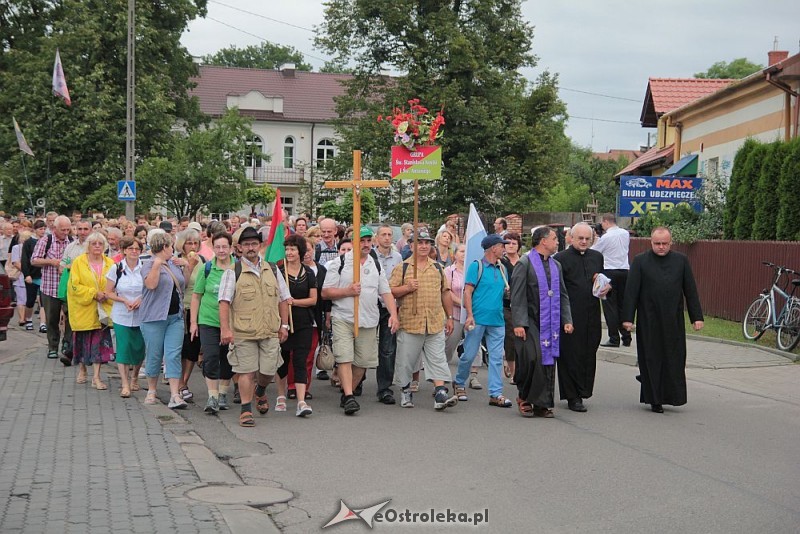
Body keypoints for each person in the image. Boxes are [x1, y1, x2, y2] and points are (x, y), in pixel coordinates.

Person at [621, 227, 703, 414]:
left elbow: (690, 290)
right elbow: (631, 291)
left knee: (674, 358)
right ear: (651, 243)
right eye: (657, 243)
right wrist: (627, 318)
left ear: (670, 243)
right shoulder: (641, 261)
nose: (661, 247)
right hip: (648, 319)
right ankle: (654, 398)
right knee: (651, 358)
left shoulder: (681, 261)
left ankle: (673, 396)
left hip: (673, 319)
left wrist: (696, 317)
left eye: (664, 243)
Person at [218, 226, 291, 427]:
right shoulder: (233, 272)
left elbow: (284, 299)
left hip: (269, 330)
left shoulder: (273, 269)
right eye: (246, 244)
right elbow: (224, 302)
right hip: (244, 332)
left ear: (260, 246)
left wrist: (284, 325)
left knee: (268, 370)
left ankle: (260, 391)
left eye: (254, 244)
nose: (251, 247)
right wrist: (225, 329)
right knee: (246, 372)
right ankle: (246, 409)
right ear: (239, 248)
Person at [322, 226, 399, 415]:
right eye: (361, 241)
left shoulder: (375, 264)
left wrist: (394, 315)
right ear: (354, 242)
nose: (365, 244)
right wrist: (346, 291)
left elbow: (385, 291)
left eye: (367, 241)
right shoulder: (339, 263)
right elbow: (325, 292)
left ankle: (346, 391)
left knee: (363, 361)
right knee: (344, 357)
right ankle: (349, 396)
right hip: (344, 318)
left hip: (368, 320)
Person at [389, 229, 458, 410]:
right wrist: (407, 287)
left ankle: (441, 392)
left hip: (434, 321)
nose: (424, 246)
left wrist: (449, 317)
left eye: (427, 242)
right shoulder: (402, 267)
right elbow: (390, 292)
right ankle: (405, 390)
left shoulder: (437, 267)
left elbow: (445, 293)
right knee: (406, 360)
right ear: (411, 245)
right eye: (420, 242)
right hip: (411, 322)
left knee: (437, 358)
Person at [510, 226, 573, 418]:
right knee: (533, 358)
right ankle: (524, 396)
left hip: (551, 321)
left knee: (548, 360)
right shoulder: (525, 263)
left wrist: (567, 319)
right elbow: (517, 295)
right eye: (554, 239)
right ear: (543, 241)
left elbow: (562, 294)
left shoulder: (556, 265)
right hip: (530, 320)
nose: (557, 242)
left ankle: (542, 404)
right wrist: (519, 322)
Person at [553, 223, 607, 412]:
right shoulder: (560, 259)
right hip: (570, 315)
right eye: (580, 238)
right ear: (571, 238)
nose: (584, 242)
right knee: (570, 355)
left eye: (587, 239)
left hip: (592, 313)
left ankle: (584, 390)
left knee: (588, 352)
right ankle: (572, 396)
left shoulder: (597, 257)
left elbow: (601, 281)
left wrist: (605, 286)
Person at [454, 234, 511, 407]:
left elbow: (502, 292)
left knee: (495, 357)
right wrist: (470, 315)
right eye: (502, 245)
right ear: (493, 248)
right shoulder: (476, 266)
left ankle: (495, 393)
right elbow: (467, 292)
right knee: (469, 354)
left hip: (497, 320)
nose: (504, 248)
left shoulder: (502, 269)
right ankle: (459, 382)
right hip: (477, 319)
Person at [139, 232, 187, 410]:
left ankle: (175, 394)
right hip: (154, 318)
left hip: (175, 317)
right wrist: (157, 266)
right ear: (164, 247)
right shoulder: (148, 264)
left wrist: (187, 266)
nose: (172, 250)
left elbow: (183, 285)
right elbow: (151, 285)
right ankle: (152, 390)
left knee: (173, 354)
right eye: (171, 247)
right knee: (154, 354)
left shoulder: (174, 264)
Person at [190, 232, 235, 414]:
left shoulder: (237, 268)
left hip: (232, 322)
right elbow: (196, 295)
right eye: (218, 247)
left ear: (231, 248)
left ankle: (223, 392)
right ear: (213, 248)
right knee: (210, 358)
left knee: (228, 358)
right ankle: (212, 396)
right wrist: (193, 322)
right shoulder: (206, 268)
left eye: (225, 247)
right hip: (208, 320)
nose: (221, 250)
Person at [275, 234, 317, 416]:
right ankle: (280, 396)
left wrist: (293, 302)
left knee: (300, 360)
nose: (289, 252)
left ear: (300, 251)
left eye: (292, 249)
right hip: (282, 323)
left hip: (304, 323)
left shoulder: (308, 273)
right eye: (287, 249)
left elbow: (313, 299)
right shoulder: (278, 270)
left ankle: (301, 401)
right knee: (282, 360)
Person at [67, 232, 115, 389]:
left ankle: (96, 377)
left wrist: (106, 294)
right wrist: (93, 293)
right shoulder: (79, 263)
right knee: (82, 340)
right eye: (93, 243)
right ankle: (82, 369)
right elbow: (74, 285)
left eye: (100, 244)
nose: (97, 246)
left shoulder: (110, 263)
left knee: (99, 343)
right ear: (88, 246)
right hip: (84, 307)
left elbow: (115, 283)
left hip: (103, 309)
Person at [105, 236, 145, 397]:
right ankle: (125, 383)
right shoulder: (116, 269)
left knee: (139, 348)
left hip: (141, 313)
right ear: (124, 251)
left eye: (137, 249)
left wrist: (140, 300)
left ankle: (135, 377)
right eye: (131, 249)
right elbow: (108, 292)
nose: (134, 252)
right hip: (122, 314)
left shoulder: (145, 268)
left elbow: (150, 289)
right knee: (123, 347)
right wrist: (124, 300)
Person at [31, 215, 74, 363]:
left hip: (69, 288)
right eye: (63, 230)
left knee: (71, 319)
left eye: (68, 229)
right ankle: (52, 347)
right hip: (50, 287)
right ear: (54, 228)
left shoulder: (72, 242)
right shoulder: (46, 241)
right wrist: (52, 262)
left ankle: (67, 346)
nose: (66, 232)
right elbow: (34, 260)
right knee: (52, 319)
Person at [591, 214, 631, 348]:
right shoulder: (625, 234)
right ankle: (626, 336)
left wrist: (596, 240)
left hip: (609, 272)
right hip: (624, 271)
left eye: (602, 223)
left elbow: (595, 252)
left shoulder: (606, 237)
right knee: (622, 305)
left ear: (606, 222)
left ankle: (614, 338)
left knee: (610, 307)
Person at [373, 224, 403, 405]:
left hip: (389, 306)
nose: (386, 237)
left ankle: (384, 388)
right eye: (383, 234)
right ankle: (357, 382)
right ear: (377, 238)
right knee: (364, 345)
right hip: (370, 305)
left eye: (389, 234)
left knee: (388, 349)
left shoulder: (398, 257)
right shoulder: (369, 256)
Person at [176, 228, 205, 401]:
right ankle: (179, 383)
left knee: (193, 349)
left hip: (198, 309)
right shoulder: (176, 261)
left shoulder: (203, 261)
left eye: (195, 243)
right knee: (180, 348)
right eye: (189, 243)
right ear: (183, 245)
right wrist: (189, 266)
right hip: (181, 308)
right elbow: (181, 285)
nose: (193, 246)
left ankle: (184, 382)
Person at [500, 232, 523, 385]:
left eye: (514, 243)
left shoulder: (524, 262)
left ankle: (517, 366)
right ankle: (513, 371)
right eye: (508, 243)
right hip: (506, 305)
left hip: (522, 304)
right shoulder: (500, 262)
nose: (511, 245)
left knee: (522, 338)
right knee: (510, 337)